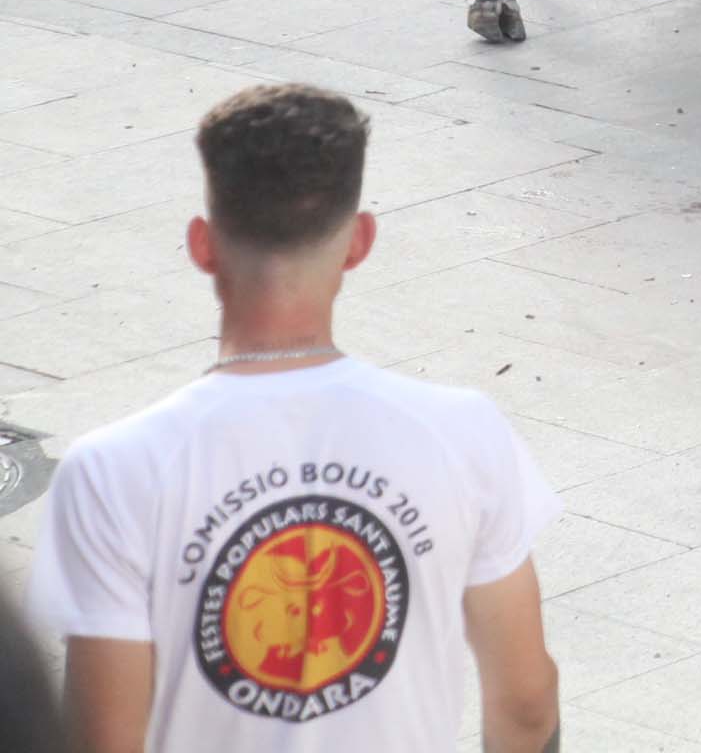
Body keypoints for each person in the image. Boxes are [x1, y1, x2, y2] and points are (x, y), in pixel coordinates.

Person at [25, 84, 561, 753]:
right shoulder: (463, 433)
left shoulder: (114, 468)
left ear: (202, 245)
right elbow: (526, 702)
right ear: (360, 241)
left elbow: (104, 741)